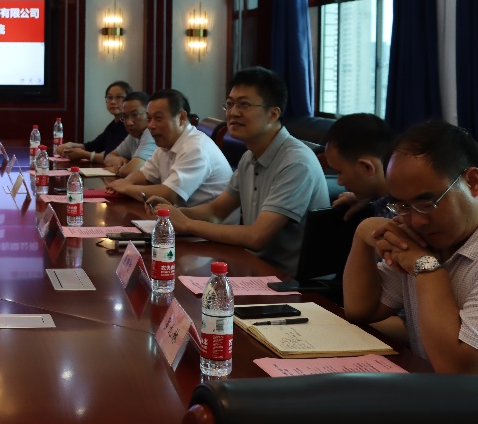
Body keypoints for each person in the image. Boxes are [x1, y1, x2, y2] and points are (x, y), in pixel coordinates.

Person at [143, 67, 329, 276]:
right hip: (252, 266)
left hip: (287, 282)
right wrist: (169, 213)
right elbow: (215, 212)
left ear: (273, 114)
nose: (233, 113)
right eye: (230, 104)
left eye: (244, 105)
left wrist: (186, 223)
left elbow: (256, 238)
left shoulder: (296, 162)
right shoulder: (249, 157)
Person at [343, 121, 478, 373]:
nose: (416, 221)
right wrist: (362, 235)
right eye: (403, 206)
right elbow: (361, 310)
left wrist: (428, 268)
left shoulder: (424, 249)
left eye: (426, 203)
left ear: (472, 182)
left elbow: (457, 371)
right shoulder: (420, 238)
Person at [107, 88, 234, 217]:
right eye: (149, 119)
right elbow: (144, 175)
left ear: (181, 118)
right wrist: (125, 183)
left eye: (158, 118)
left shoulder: (195, 148)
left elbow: (170, 194)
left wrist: (127, 188)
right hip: (180, 219)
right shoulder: (166, 144)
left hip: (206, 227)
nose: (150, 125)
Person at [324, 113, 395, 220]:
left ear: (367, 167)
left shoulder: (398, 219)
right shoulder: (378, 201)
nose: (339, 182)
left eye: (339, 172)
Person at [58, 80, 131, 162]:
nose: (113, 102)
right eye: (110, 97)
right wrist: (71, 145)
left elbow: (113, 158)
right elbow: (95, 145)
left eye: (119, 97)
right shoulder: (114, 124)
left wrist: (84, 154)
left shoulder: (129, 126)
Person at [102, 91, 156, 175]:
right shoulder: (133, 135)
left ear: (148, 114)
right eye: (125, 116)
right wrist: (119, 162)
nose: (129, 123)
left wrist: (118, 169)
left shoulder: (151, 133)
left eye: (134, 115)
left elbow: (132, 169)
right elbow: (108, 157)